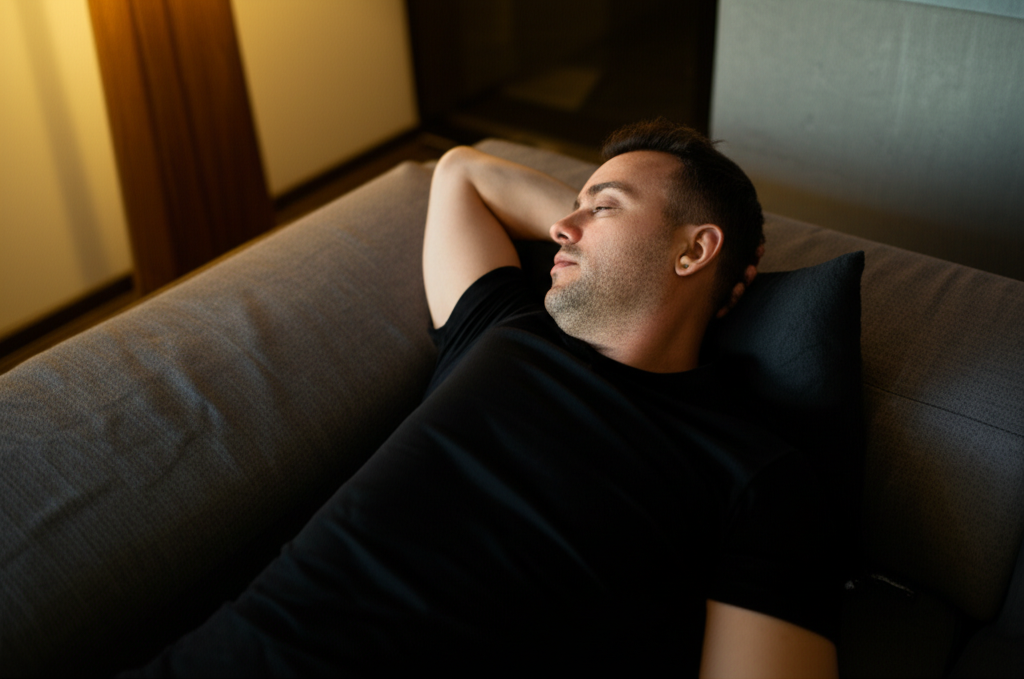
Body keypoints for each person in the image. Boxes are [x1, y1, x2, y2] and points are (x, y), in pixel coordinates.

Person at [127, 120, 842, 677]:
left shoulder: (756, 471)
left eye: (604, 206)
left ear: (694, 250)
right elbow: (462, 171)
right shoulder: (505, 330)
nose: (563, 225)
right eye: (573, 205)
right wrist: (595, 226)